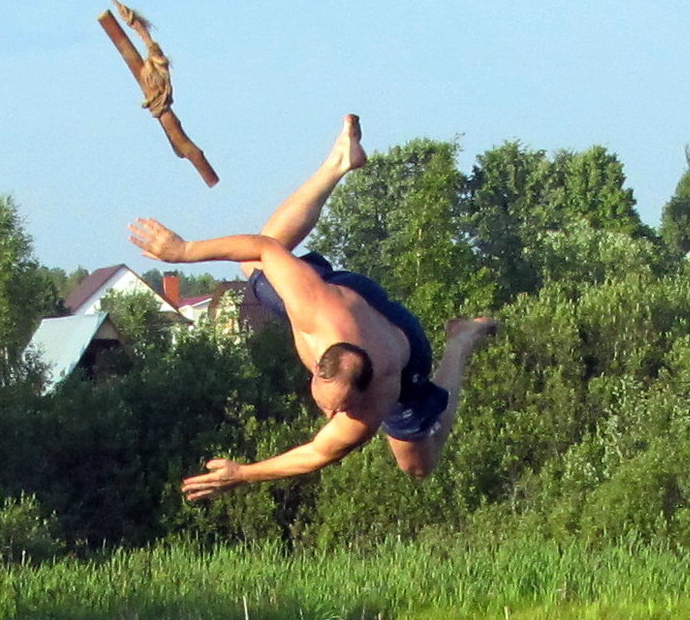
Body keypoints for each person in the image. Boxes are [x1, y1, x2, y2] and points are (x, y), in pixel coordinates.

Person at [129, 114, 497, 502]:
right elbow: (264, 247)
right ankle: (340, 161)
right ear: (319, 369)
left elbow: (319, 453)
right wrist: (184, 252)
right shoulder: (312, 308)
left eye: (339, 408)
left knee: (418, 467)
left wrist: (242, 474)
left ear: (362, 393)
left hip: (404, 345)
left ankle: (461, 339)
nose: (329, 416)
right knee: (257, 260)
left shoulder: (377, 395)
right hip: (342, 296)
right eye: (327, 404)